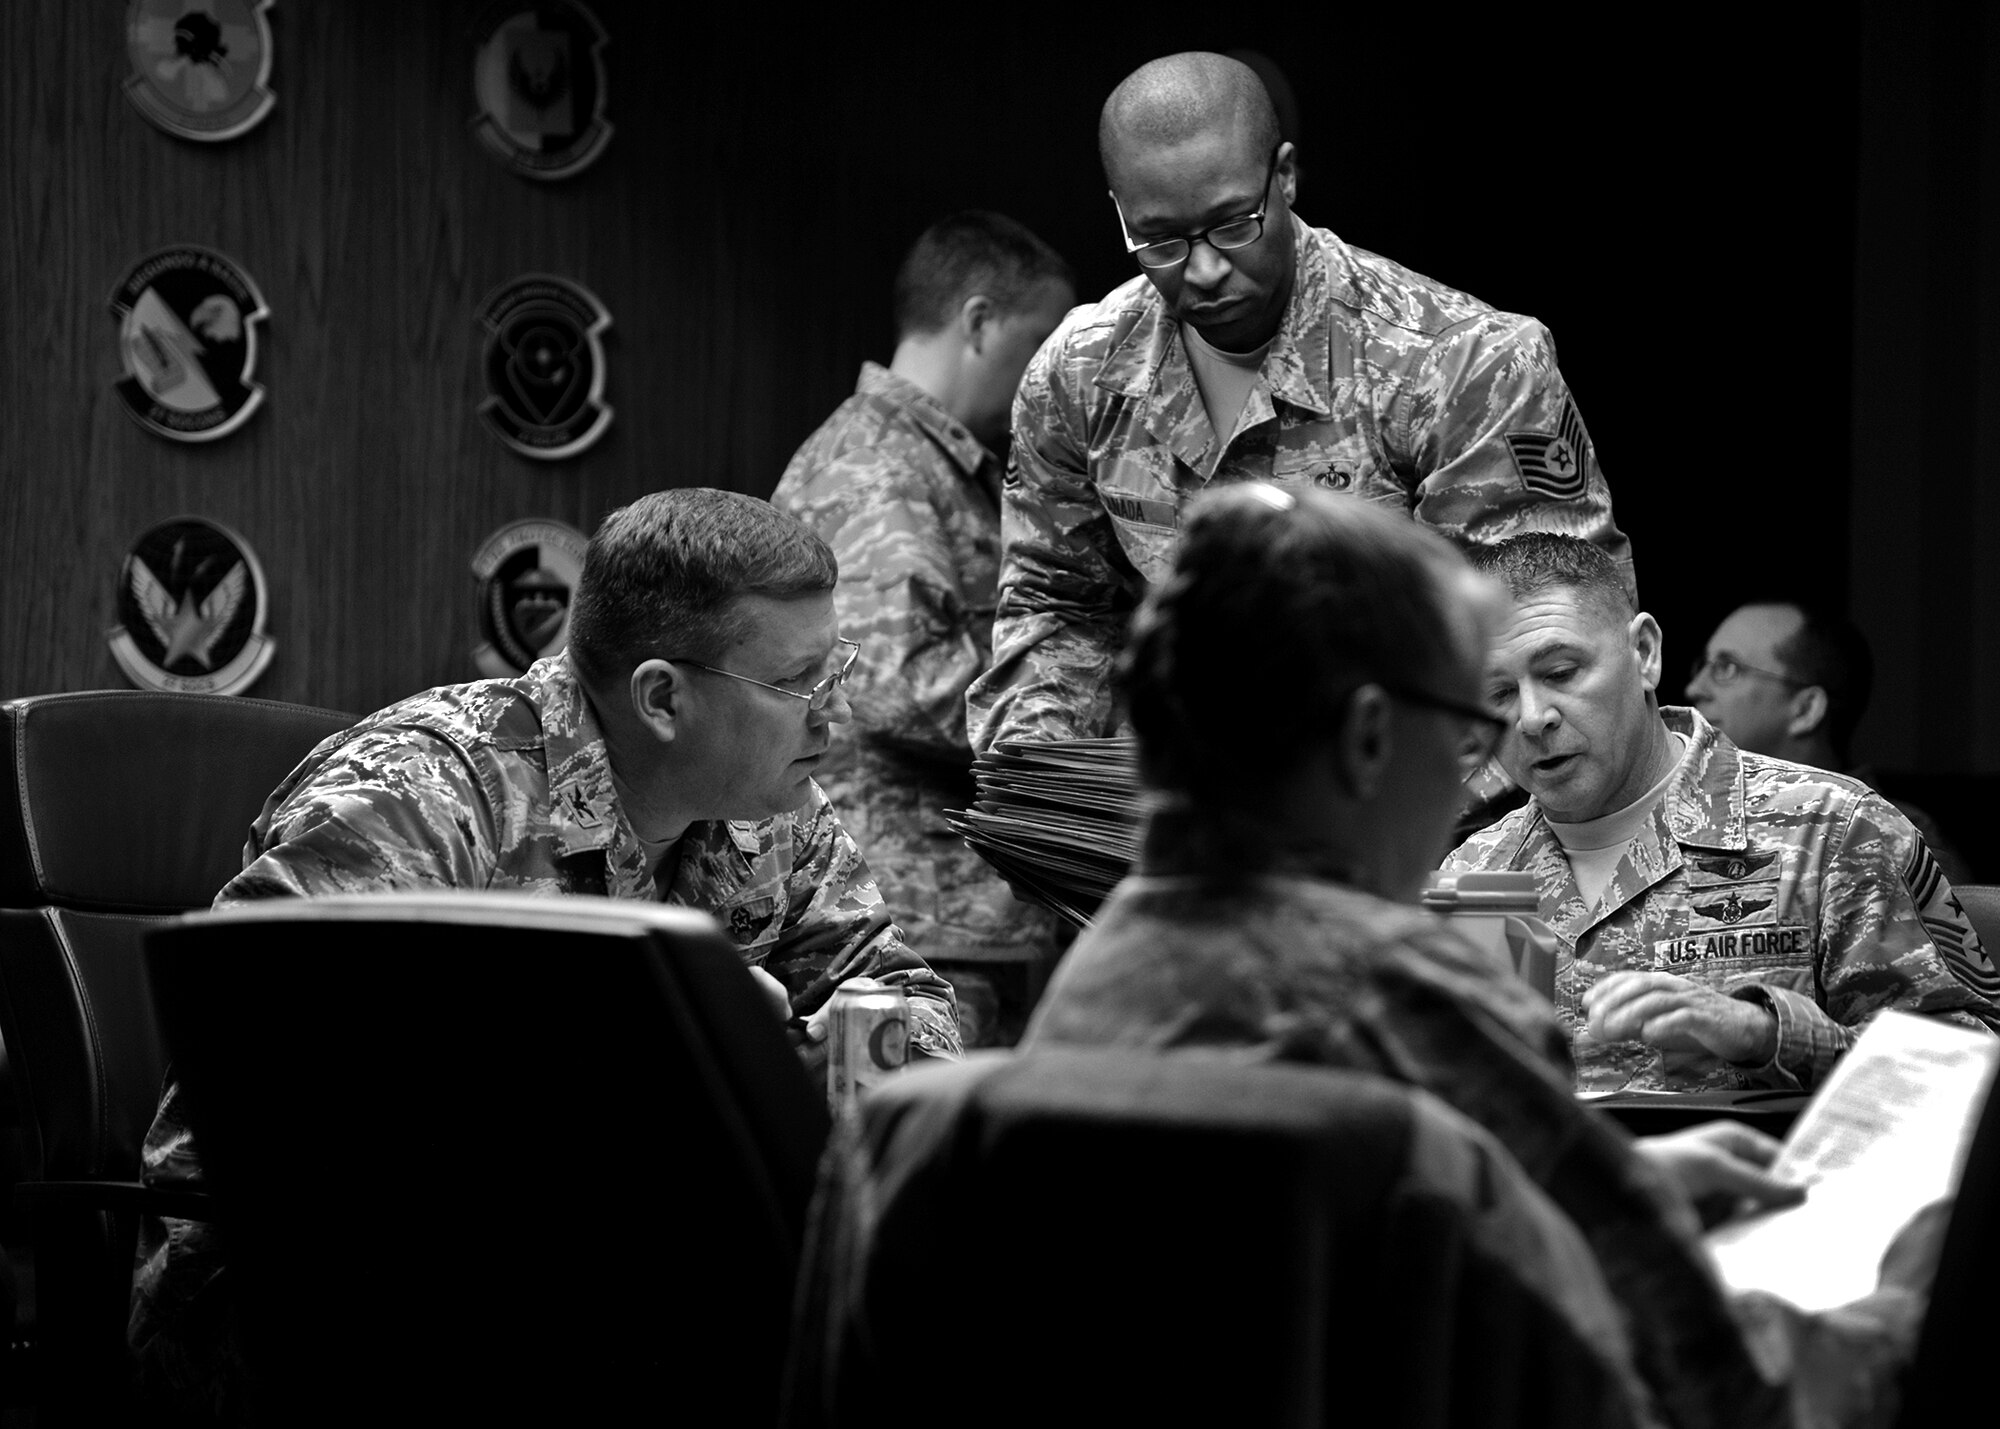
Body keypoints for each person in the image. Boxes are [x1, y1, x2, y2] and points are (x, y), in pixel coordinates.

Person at [130, 488, 962, 1420]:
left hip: (595, 1289)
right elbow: (272, 1101)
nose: (835, 716)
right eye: (801, 683)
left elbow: (905, 999)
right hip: (315, 1312)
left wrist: (801, 1047)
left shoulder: (775, 816)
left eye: (835, 670)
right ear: (661, 697)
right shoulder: (418, 798)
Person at [1020, 484, 1805, 1429]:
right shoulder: (1416, 999)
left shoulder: (1090, 987)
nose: (1499, 754)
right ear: (1369, 740)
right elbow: (1696, 1383)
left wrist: (1597, 1184)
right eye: (1467, 727)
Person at [967, 50, 1631, 753]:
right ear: (1120, 213)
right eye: (1161, 240)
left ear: (1283, 176)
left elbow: (1551, 644)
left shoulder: (1461, 364)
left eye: (1233, 223)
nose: (1207, 268)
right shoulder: (1079, 376)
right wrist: (1050, 805)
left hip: (1421, 819)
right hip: (1185, 821)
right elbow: (1055, 607)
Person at [1446, 535, 1999, 1094]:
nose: (1533, 717)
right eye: (1498, 693)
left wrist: (1768, 1035)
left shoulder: (1831, 830)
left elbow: (1967, 1068)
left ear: (1644, 654)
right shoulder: (1472, 874)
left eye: (1562, 672)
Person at [773, 213, 1076, 1021]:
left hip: (958, 919)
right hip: (913, 928)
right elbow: (897, 683)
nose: (1050, 375)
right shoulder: (875, 464)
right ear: (979, 322)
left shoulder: (937, 464)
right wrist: (1079, 748)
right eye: (1040, 344)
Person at [1687, 599, 1973, 884]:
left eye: (1727, 667)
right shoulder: (1691, 816)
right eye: (1704, 665)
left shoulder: (1895, 835)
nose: (1694, 689)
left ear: (1806, 709)